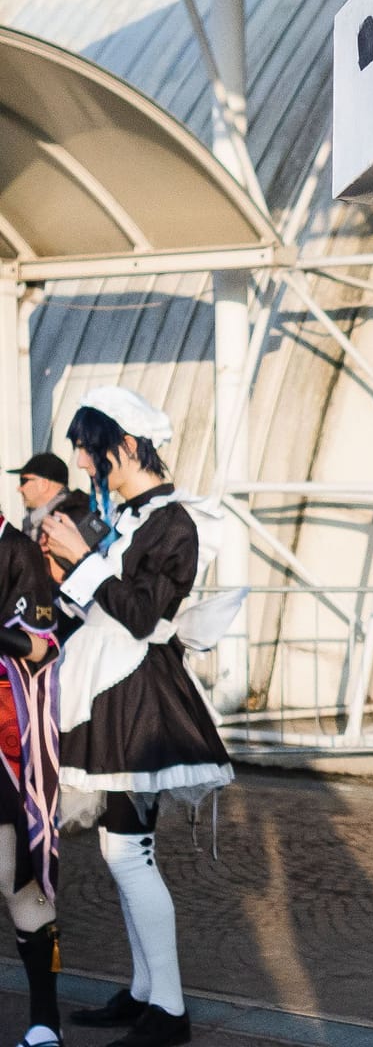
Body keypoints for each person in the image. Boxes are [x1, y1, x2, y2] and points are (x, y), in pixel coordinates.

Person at [38, 387, 235, 1047]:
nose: (89, 467)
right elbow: (98, 606)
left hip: (141, 705)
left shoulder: (174, 522)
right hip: (113, 697)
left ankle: (170, 1013)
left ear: (125, 444)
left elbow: (143, 615)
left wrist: (84, 559)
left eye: (94, 453)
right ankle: (148, 993)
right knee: (120, 849)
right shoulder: (130, 519)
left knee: (129, 853)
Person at [0, 502, 60, 1047]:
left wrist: (21, 644)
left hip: (3, 742)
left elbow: (41, 645)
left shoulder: (16, 550)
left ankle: (45, 1021)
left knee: (15, 875)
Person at [8, 455, 70, 543]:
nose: (19, 489)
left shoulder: (70, 521)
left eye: (23, 481)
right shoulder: (37, 521)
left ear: (44, 484)